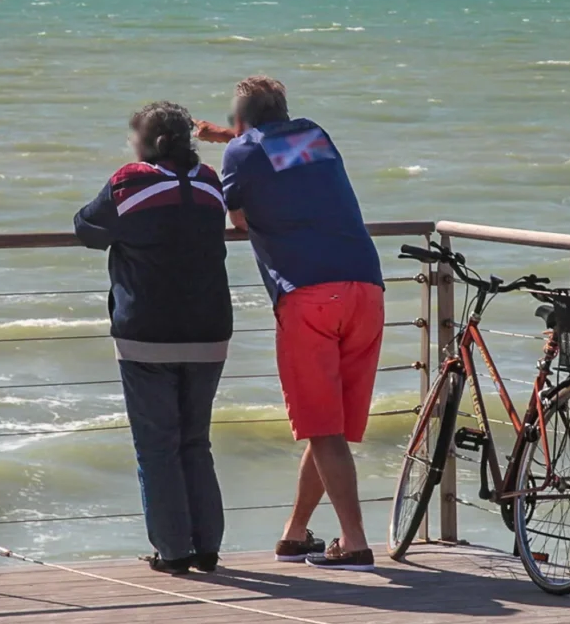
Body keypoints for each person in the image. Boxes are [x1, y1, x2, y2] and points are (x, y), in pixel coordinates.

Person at [197, 76, 384, 571]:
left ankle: (356, 542)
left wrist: (227, 147)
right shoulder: (313, 136)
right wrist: (232, 137)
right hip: (366, 287)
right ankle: (295, 534)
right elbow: (273, 150)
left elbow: (236, 216)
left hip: (308, 295)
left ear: (239, 120)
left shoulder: (241, 154)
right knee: (333, 428)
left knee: (324, 429)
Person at [75, 102, 233, 574]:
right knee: (195, 442)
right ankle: (207, 547)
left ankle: (173, 550)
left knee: (156, 446)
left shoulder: (131, 181)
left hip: (147, 332)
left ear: (143, 143)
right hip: (209, 330)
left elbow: (87, 227)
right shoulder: (209, 181)